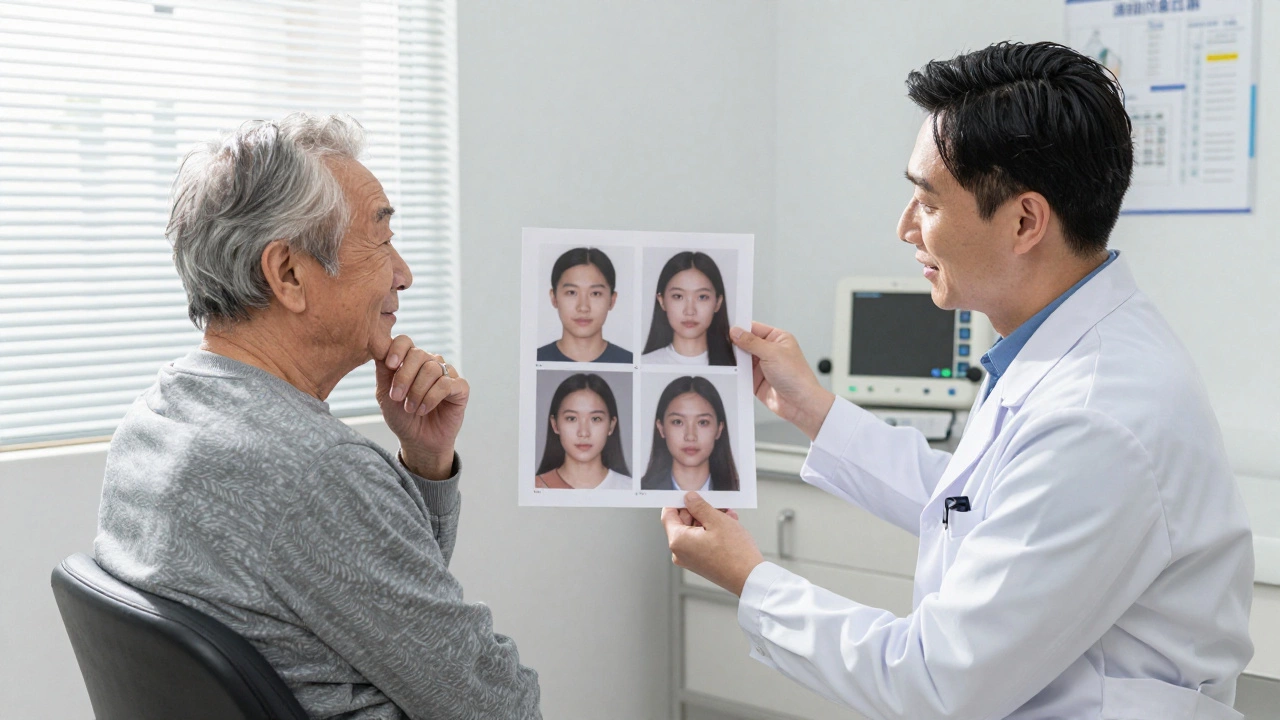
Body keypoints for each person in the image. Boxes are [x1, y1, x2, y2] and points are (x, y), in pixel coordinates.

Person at [661, 41, 1253, 720]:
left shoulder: (1097, 416)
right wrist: (815, 411)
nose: (906, 227)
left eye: (929, 203)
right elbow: (968, 504)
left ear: (1025, 220)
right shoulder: (1061, 348)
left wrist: (749, 578)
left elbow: (937, 682)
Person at [95, 114, 541, 718]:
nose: (403, 275)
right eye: (382, 241)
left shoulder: (155, 419)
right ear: (288, 274)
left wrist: (425, 463)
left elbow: (376, 601)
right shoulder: (313, 471)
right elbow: (495, 705)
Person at [641, 376, 739, 491]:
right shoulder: (640, 490)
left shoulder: (738, 491)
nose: (690, 436)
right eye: (678, 422)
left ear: (719, 429)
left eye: (703, 422)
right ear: (661, 428)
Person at [535, 373, 631, 489]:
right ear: (555, 425)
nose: (584, 433)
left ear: (611, 425)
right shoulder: (535, 487)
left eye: (595, 419)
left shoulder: (629, 487)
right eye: (571, 418)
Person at [536, 247, 632, 363]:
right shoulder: (534, 360)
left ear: (612, 300)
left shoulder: (629, 361)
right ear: (554, 298)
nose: (583, 307)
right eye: (571, 292)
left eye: (595, 293)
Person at [641, 251, 736, 366]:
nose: (690, 311)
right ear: (662, 301)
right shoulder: (645, 364)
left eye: (702, 297)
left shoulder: (737, 366)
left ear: (717, 303)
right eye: (678, 296)